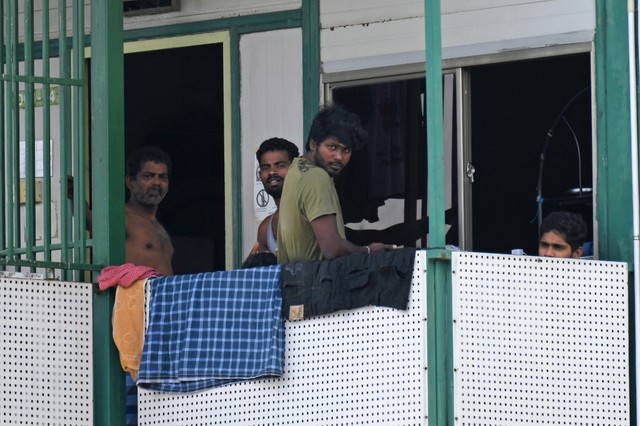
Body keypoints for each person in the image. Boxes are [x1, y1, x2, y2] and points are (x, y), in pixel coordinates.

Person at [277, 104, 396, 264]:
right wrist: (367, 251)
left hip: (295, 282)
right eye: (332, 147)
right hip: (316, 283)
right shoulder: (316, 176)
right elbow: (332, 249)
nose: (339, 157)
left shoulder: (296, 169)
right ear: (313, 144)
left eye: (346, 150)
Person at [124, 145, 174, 275]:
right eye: (148, 176)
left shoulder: (159, 226)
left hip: (167, 294)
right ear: (130, 181)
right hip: (136, 295)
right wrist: (74, 195)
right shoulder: (122, 217)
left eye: (163, 177)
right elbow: (89, 220)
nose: (157, 182)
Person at [251, 137, 300, 255]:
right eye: (265, 167)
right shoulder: (265, 228)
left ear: (295, 169)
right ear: (260, 174)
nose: (272, 172)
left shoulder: (308, 213)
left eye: (280, 165)